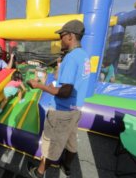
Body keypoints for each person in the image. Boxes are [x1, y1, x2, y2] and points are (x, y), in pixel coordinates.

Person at [26, 20, 90, 178]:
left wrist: (39, 86)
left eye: (61, 36)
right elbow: (70, 82)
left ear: (70, 36)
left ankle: (39, 172)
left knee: (52, 145)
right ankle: (66, 167)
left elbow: (65, 91)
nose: (60, 39)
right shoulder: (83, 55)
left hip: (62, 111)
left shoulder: (71, 58)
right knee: (71, 142)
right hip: (76, 109)